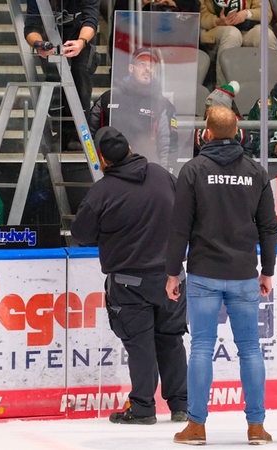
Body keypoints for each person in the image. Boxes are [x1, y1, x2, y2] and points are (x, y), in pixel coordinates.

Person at [166, 105, 277, 445]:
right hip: (244, 272)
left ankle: (196, 426)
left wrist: (173, 272)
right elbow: (268, 227)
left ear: (208, 133)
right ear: (238, 131)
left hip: (204, 273)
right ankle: (256, 427)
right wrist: (267, 271)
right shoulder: (256, 172)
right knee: (251, 350)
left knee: (200, 348)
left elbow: (179, 226)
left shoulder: (194, 170)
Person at [70, 126, 188, 425]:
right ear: (130, 149)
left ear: (102, 159)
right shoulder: (161, 174)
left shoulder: (102, 191)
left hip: (129, 282)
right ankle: (181, 405)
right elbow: (187, 210)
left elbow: (81, 234)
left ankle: (143, 408)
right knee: (171, 340)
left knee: (140, 344)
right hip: (171, 277)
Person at [88, 47, 178, 169]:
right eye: (142, 64)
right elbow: (90, 135)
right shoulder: (108, 98)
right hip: (110, 172)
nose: (147, 69)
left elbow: (168, 148)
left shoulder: (163, 105)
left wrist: (163, 176)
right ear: (131, 68)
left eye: (151, 66)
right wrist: (98, 167)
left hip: (144, 174)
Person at [23, 0, 99, 114]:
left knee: (81, 73)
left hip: (80, 34)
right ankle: (59, 123)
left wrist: (81, 42)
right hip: (50, 36)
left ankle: (81, 121)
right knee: (54, 84)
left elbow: (91, 20)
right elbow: (31, 26)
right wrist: (39, 44)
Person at [200, 0, 277, 85]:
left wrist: (246, 14)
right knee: (232, 35)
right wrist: (218, 21)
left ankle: (271, 88)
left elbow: (267, 13)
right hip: (219, 29)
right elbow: (202, 16)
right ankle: (223, 89)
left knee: (266, 35)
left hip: (248, 30)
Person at [194, 81, 253, 157]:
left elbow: (247, 152)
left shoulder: (242, 128)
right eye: (207, 109)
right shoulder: (201, 128)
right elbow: (195, 153)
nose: (208, 112)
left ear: (224, 110)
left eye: (211, 109)